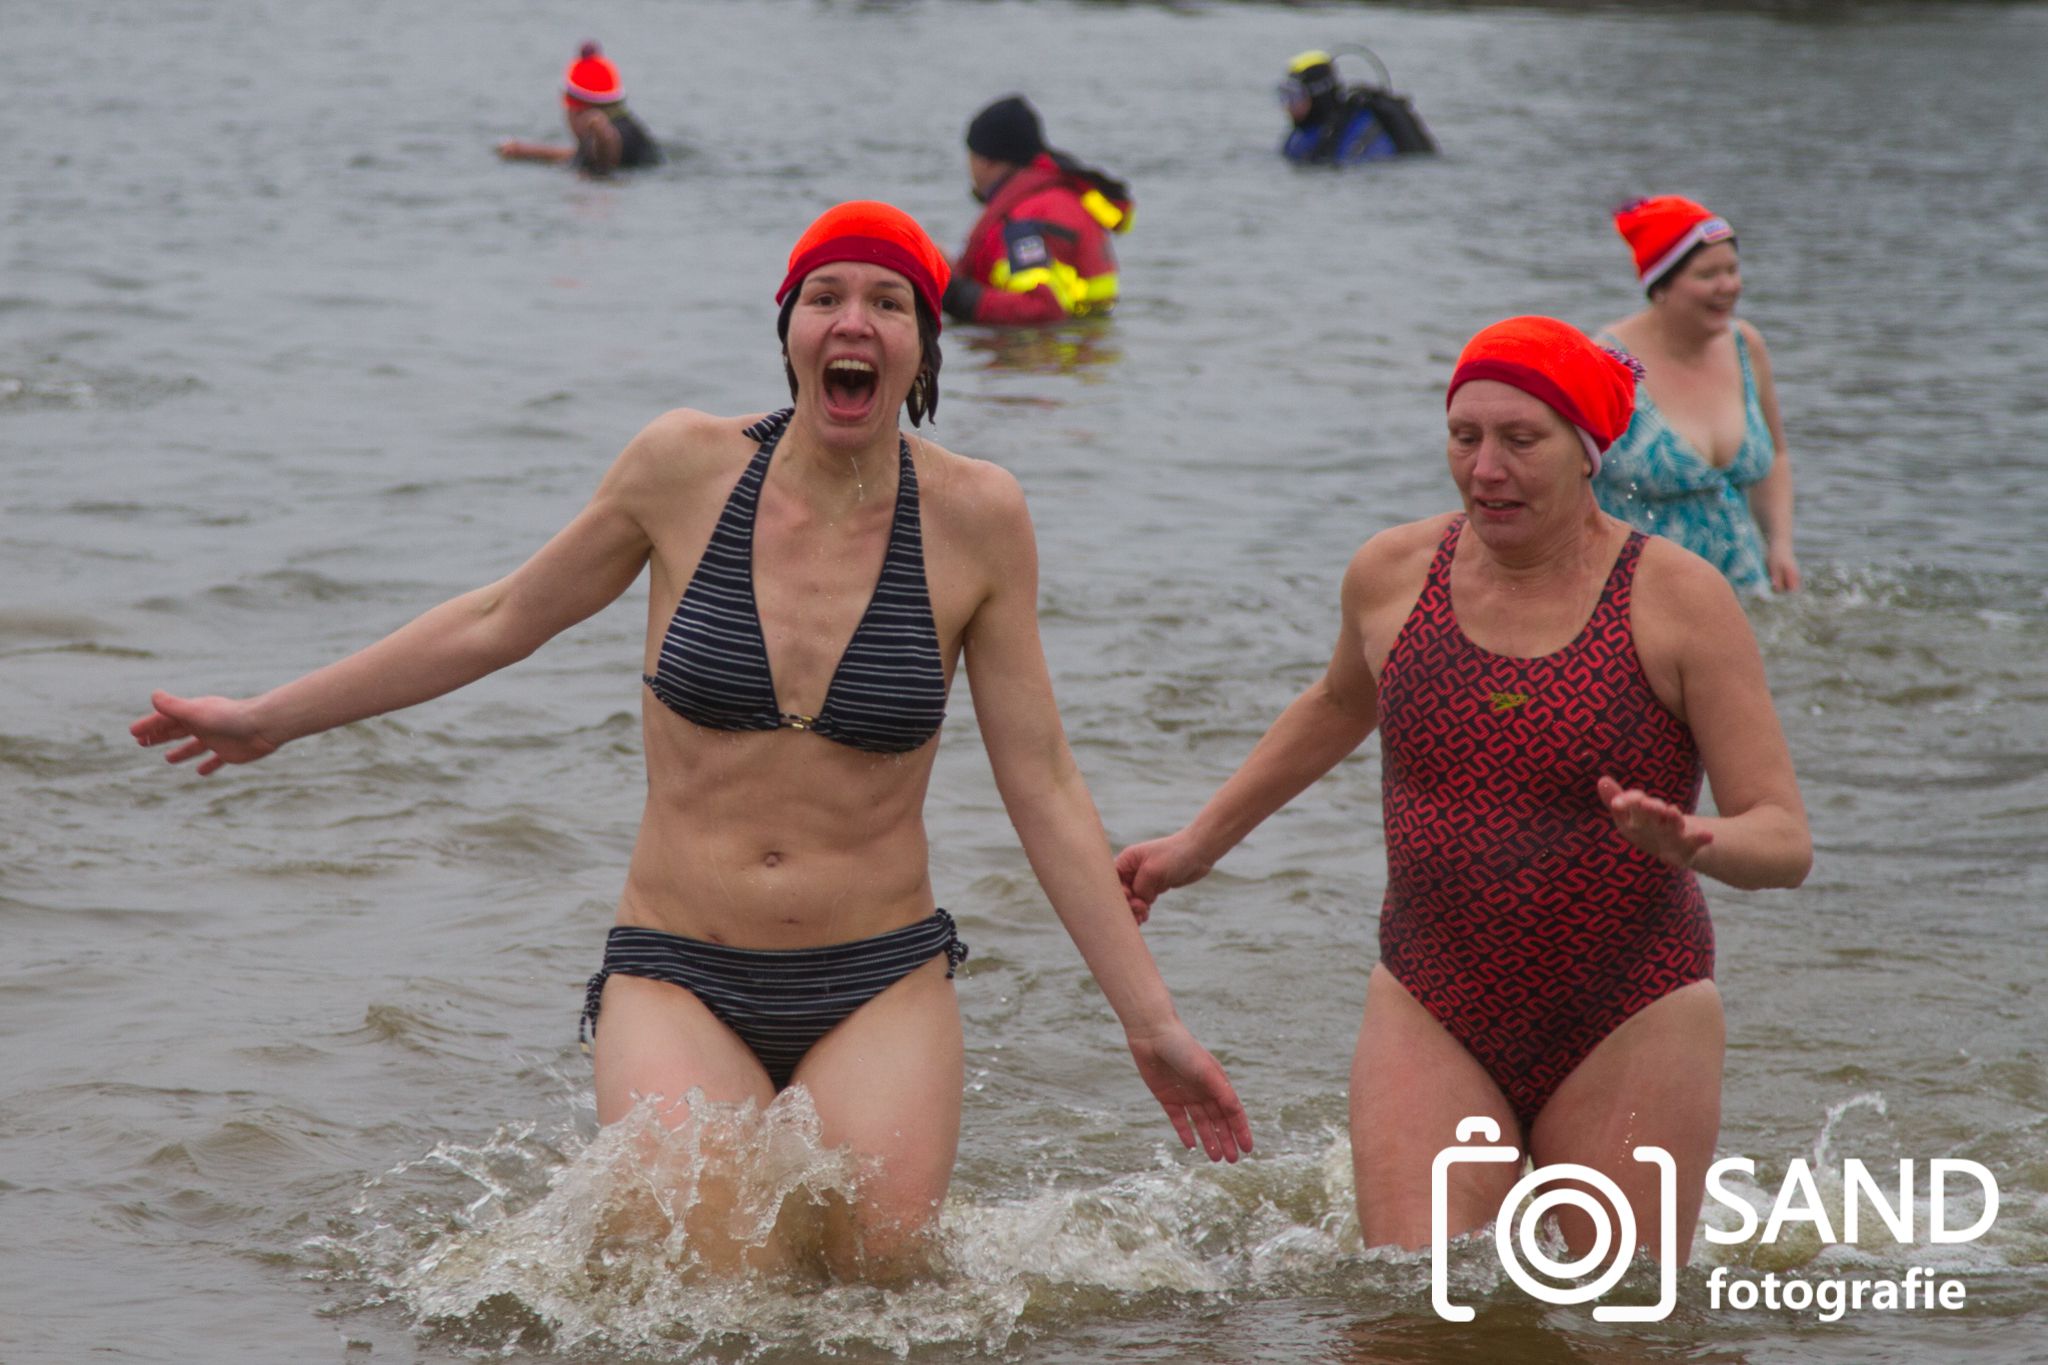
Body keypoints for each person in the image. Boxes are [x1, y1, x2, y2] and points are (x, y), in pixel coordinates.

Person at [131, 200, 1249, 1279]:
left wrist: (1149, 1023)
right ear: (788, 331)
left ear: (922, 346)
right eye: (824, 296)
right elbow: (497, 618)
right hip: (678, 971)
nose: (852, 321)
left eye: (886, 303)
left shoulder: (979, 517)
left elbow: (1041, 780)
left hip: (879, 978)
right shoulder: (681, 470)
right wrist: (268, 717)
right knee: (713, 1280)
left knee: (882, 1281)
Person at [1118, 317, 1809, 1264]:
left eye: (1521, 441)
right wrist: (1194, 846)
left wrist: (1696, 841)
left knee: (1622, 1318)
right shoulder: (1394, 574)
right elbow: (1333, 706)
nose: (1486, 468)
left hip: (1634, 1006)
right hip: (1433, 999)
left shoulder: (1678, 598)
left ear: (1588, 453)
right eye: (1465, 437)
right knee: (1409, 1304)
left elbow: (1783, 838)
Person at [1594, 196, 1799, 594]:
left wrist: (1780, 546)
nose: (1729, 286)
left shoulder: (1746, 345)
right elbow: (1562, 476)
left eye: (1733, 270)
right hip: (1637, 595)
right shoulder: (1608, 363)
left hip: (1742, 589)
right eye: (1708, 275)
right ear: (1661, 286)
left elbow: (1776, 454)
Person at [941, 96, 1133, 327]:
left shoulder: (1026, 219)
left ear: (986, 160)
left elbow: (1041, 309)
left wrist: (953, 293)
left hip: (1046, 359)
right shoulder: (1064, 197)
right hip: (1088, 350)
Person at [496, 42, 661, 176]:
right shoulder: (632, 130)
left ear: (576, 110)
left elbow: (607, 156)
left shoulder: (605, 133)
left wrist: (600, 130)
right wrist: (525, 151)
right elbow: (577, 154)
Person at [1278, 49, 1436, 167]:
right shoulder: (1302, 134)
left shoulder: (1360, 130)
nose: (1288, 105)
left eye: (1295, 96)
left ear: (1317, 94)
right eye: (1284, 95)